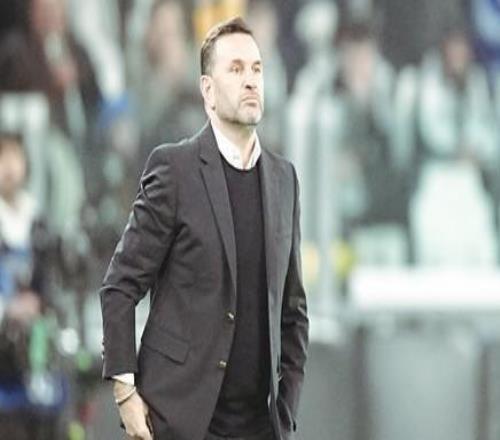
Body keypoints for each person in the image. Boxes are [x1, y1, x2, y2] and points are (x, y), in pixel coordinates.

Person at [100, 17, 309, 440]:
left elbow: (293, 311)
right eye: (236, 69)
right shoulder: (174, 169)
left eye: (257, 69)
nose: (250, 80)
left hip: (259, 427)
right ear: (208, 91)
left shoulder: (284, 178)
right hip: (179, 423)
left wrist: (285, 414)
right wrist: (126, 395)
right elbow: (119, 287)